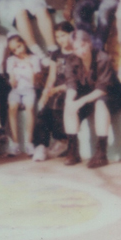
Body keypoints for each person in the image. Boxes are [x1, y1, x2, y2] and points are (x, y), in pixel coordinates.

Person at [62, 30, 121, 169]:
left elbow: (102, 89)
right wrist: (70, 102)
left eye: (83, 45)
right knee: (69, 105)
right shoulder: (71, 61)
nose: (81, 50)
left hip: (112, 95)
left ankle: (101, 153)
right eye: (76, 48)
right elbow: (71, 84)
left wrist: (80, 101)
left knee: (101, 103)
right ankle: (73, 150)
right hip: (90, 94)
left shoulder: (103, 58)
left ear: (89, 43)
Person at [32, 21, 77, 161]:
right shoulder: (56, 54)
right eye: (57, 37)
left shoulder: (77, 52)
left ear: (72, 34)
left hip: (70, 89)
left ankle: (61, 141)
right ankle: (41, 145)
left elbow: (76, 80)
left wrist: (58, 89)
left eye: (63, 35)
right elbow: (51, 76)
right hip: (56, 89)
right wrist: (45, 93)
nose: (60, 40)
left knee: (58, 105)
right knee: (43, 109)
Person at [5, 34, 42, 156]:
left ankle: (29, 143)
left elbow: (34, 82)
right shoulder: (11, 60)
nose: (18, 51)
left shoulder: (34, 58)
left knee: (29, 107)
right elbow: (12, 83)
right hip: (16, 90)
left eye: (19, 46)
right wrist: (13, 76)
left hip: (29, 89)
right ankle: (15, 144)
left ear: (24, 43)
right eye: (14, 50)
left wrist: (29, 65)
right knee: (12, 107)